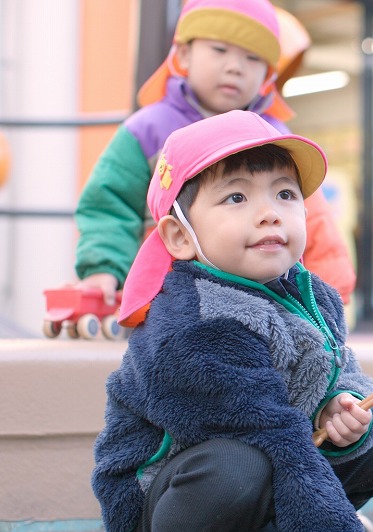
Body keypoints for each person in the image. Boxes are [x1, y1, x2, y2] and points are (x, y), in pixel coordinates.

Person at [91, 110, 373, 532]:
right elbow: (276, 438)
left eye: (284, 193)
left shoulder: (309, 292)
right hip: (171, 499)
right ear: (181, 237)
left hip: (272, 467)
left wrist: (336, 405)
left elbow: (340, 370)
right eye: (237, 197)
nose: (269, 214)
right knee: (238, 463)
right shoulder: (194, 323)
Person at [73, 0, 356, 308]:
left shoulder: (275, 140)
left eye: (252, 57)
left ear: (267, 78)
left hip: (264, 299)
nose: (235, 66)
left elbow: (313, 219)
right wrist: (103, 268)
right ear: (183, 54)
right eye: (219, 50)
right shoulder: (149, 129)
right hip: (166, 299)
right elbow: (109, 203)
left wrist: (330, 295)